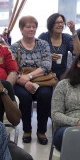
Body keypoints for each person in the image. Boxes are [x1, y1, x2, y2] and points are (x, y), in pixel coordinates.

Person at [10, 15, 53, 144]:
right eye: (28, 26)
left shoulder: (43, 44)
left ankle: (41, 131)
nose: (31, 29)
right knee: (24, 97)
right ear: (21, 29)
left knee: (45, 95)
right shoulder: (14, 47)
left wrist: (29, 77)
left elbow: (46, 65)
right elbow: (12, 69)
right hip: (20, 80)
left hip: (41, 79)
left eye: (34, 26)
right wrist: (25, 82)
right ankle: (27, 130)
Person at [38, 12, 80, 80]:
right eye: (57, 23)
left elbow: (78, 52)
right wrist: (48, 57)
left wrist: (73, 32)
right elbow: (36, 54)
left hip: (63, 73)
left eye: (62, 22)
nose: (60, 25)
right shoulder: (43, 36)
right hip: (45, 73)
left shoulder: (66, 37)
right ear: (51, 24)